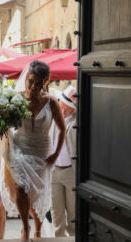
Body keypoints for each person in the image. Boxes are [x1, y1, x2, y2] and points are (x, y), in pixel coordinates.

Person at [3, 60, 66, 242]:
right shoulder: (16, 100)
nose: (33, 87)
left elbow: (61, 129)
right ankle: (25, 227)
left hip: (42, 152)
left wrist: (55, 153)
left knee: (36, 194)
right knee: (21, 187)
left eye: (38, 84)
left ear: (45, 83)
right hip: (19, 149)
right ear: (26, 78)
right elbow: (6, 125)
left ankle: (38, 228)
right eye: (30, 81)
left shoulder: (52, 102)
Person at [50, 85, 77, 237]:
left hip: (70, 171)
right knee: (56, 212)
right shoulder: (53, 117)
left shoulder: (77, 121)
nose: (64, 111)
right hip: (54, 171)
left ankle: (72, 238)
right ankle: (57, 238)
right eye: (63, 107)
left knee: (73, 214)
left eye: (69, 109)